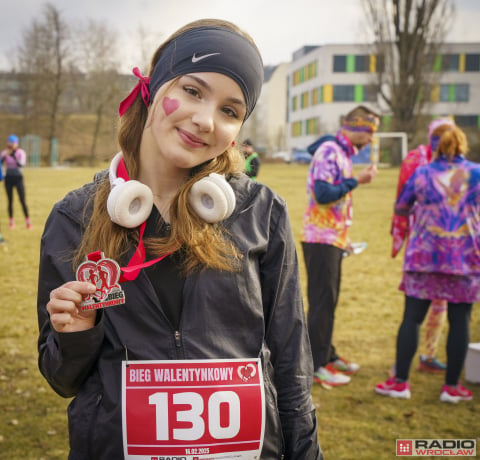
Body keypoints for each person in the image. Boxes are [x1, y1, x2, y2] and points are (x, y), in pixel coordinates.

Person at [36, 19, 323, 460]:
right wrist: (76, 335)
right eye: (192, 90)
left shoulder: (262, 212)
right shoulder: (72, 218)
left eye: (230, 111)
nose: (205, 120)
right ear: (151, 88)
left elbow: (292, 366)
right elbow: (62, 379)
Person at [376, 125, 480, 403]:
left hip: (424, 256)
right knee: (461, 320)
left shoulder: (422, 173)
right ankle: (451, 387)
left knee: (412, 318)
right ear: (462, 146)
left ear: (434, 145)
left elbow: (401, 206)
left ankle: (400, 383)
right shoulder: (476, 173)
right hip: (464, 258)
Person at [301, 105, 379, 387]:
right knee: (322, 302)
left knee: (329, 301)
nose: (371, 139)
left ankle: (327, 354)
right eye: (369, 132)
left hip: (333, 238)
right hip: (320, 238)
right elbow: (323, 194)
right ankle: (315, 365)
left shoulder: (342, 153)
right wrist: (357, 180)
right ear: (356, 127)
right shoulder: (330, 151)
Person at [390, 118, 456, 375]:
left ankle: (428, 355)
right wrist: (399, 233)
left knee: (440, 305)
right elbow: (401, 203)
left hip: (436, 250)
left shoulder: (457, 167)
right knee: (417, 310)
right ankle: (405, 366)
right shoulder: (416, 162)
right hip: (431, 248)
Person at [0, 134, 31, 229]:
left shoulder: (21, 152)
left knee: (22, 200)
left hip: (18, 177)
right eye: (10, 142)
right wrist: (3, 157)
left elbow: (21, 165)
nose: (11, 144)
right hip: (8, 177)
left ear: (16, 144)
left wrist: (14, 156)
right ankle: (11, 222)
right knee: (10, 200)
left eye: (13, 143)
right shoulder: (5, 152)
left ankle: (28, 222)